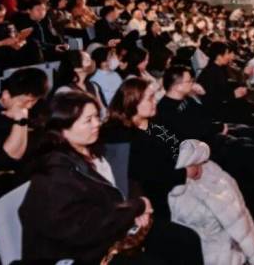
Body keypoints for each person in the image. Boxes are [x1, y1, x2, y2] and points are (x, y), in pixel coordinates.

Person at [19, 91, 160, 264]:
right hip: (81, 254)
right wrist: (136, 208)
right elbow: (86, 228)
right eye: (88, 120)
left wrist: (138, 202)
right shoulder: (55, 175)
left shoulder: (93, 149)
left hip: (112, 232)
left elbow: (124, 179)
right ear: (63, 130)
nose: (97, 124)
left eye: (96, 117)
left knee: (183, 240)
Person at [156, 65, 254, 231]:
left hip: (212, 134)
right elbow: (190, 133)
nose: (193, 83)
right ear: (177, 86)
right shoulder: (165, 110)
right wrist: (218, 129)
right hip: (203, 149)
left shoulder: (185, 98)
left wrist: (202, 99)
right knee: (251, 151)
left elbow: (205, 115)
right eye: (189, 81)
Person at [103, 78, 204, 265]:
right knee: (196, 229)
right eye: (149, 98)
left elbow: (174, 146)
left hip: (171, 181)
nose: (154, 101)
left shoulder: (151, 124)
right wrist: (184, 173)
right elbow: (147, 176)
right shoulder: (120, 136)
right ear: (133, 103)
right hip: (150, 202)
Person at [0, 68, 49, 176]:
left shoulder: (34, 105)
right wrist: (20, 120)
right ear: (6, 95)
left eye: (34, 101)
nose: (29, 106)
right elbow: (7, 161)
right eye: (26, 101)